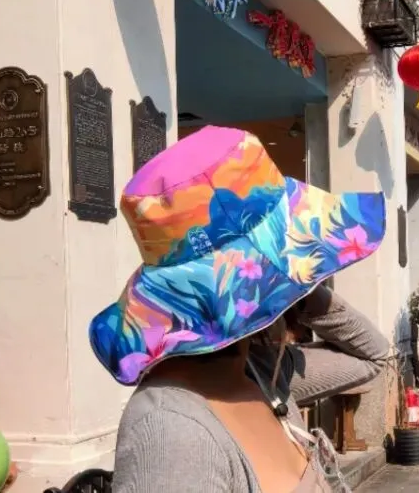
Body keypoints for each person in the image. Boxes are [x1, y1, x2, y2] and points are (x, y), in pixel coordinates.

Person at [100, 126, 390, 492]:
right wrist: (292, 273)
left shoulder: (261, 372)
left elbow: (373, 357)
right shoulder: (172, 432)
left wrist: (304, 290)